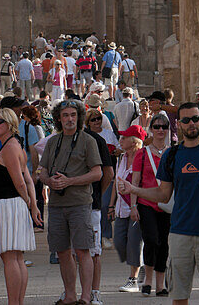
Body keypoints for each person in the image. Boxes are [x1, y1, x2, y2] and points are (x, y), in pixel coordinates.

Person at [118, 101, 199, 305]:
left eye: (195, 119)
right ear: (180, 125)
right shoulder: (172, 155)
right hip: (180, 233)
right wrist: (134, 191)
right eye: (186, 120)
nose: (191, 123)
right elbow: (164, 194)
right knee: (179, 295)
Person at [38, 99, 103, 305]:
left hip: (80, 203)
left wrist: (70, 181)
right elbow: (42, 171)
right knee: (62, 252)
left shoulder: (88, 141)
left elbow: (97, 173)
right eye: (65, 115)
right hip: (56, 205)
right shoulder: (52, 142)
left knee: (83, 250)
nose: (70, 119)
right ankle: (70, 295)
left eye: (73, 115)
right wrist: (49, 181)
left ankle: (85, 296)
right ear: (58, 118)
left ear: (79, 118)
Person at [0, 108, 40, 305]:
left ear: (9, 123)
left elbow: (21, 182)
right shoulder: (16, 146)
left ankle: (13, 302)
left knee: (10, 258)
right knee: (17, 258)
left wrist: (28, 202)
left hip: (7, 205)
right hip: (15, 205)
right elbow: (28, 180)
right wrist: (31, 204)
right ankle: (17, 302)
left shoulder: (9, 148)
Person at [132, 113, 173, 295]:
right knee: (151, 239)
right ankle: (147, 279)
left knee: (164, 243)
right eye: (156, 126)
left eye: (163, 126)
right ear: (151, 130)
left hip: (166, 203)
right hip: (146, 202)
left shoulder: (172, 153)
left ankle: (160, 284)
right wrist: (133, 206)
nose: (160, 130)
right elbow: (135, 181)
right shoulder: (141, 154)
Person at [110, 125, 146, 292]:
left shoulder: (142, 157)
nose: (121, 140)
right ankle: (142, 263)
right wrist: (111, 205)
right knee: (119, 241)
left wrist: (134, 206)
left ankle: (134, 279)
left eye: (124, 137)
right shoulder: (121, 158)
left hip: (137, 207)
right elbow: (115, 183)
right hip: (120, 207)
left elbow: (138, 184)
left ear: (133, 142)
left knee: (134, 243)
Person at [85, 108, 114, 305]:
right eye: (93, 119)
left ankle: (92, 292)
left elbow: (108, 173)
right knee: (76, 252)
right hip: (76, 203)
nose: (96, 122)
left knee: (93, 252)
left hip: (91, 203)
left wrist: (98, 194)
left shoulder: (99, 141)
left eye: (99, 119)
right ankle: (80, 292)